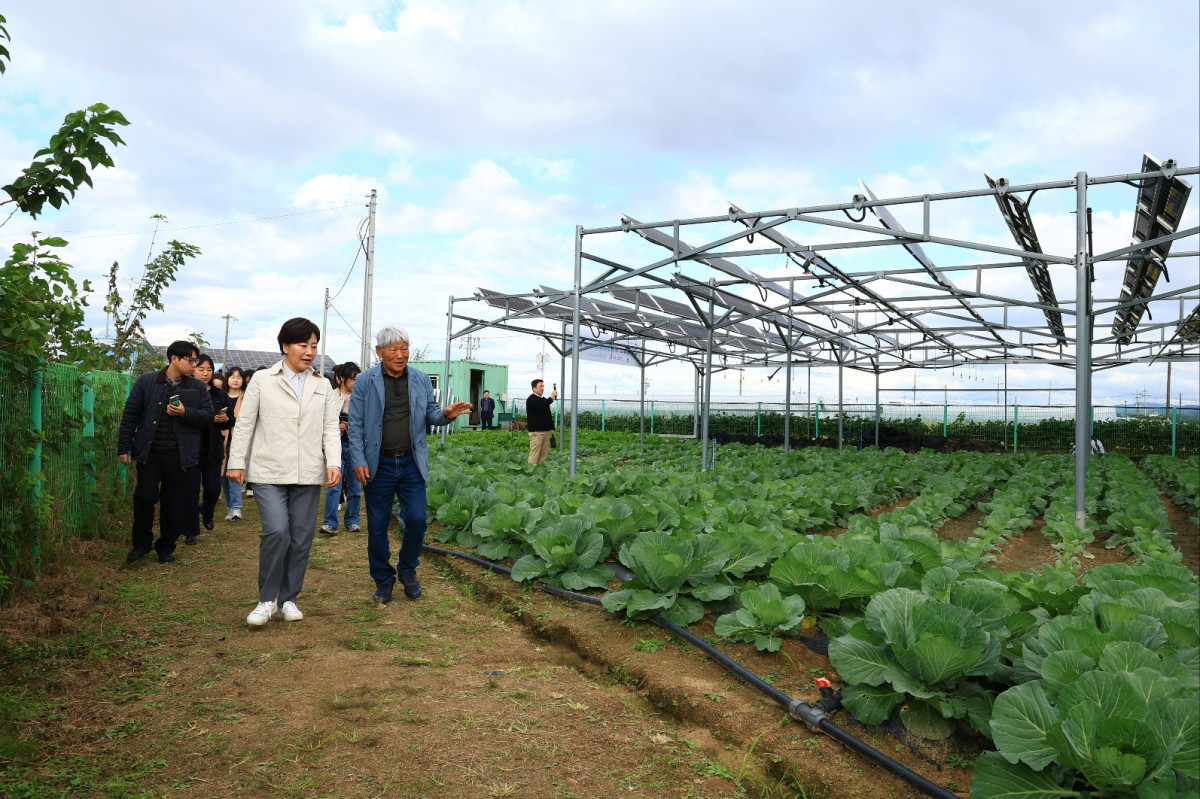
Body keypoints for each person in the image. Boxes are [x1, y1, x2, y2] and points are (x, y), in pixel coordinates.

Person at [226, 318, 341, 628]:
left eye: (314, 346)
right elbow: (246, 423)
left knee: (301, 538)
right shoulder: (263, 380)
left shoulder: (322, 384)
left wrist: (334, 462)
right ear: (285, 346)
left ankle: (289, 599)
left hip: (307, 472)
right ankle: (266, 600)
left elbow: (330, 427)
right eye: (303, 345)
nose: (309, 352)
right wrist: (236, 462)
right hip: (268, 470)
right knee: (277, 532)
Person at [348, 325, 471, 604]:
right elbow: (354, 425)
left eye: (404, 349)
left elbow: (431, 413)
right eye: (393, 349)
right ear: (379, 352)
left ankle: (407, 568)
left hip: (411, 462)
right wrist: (357, 460)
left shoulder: (419, 379)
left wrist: (446, 415)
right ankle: (383, 579)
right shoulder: (366, 381)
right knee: (378, 525)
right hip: (378, 464)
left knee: (417, 518)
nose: (400, 355)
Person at [117, 340, 214, 564]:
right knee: (144, 497)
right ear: (174, 359)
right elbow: (130, 414)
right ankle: (141, 544)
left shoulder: (196, 387)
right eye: (190, 361)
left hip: (180, 456)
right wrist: (124, 446)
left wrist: (185, 413)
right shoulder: (147, 381)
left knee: (174, 502)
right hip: (149, 453)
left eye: (195, 361)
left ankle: (166, 546)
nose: (194, 365)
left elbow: (208, 416)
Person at [190, 354, 233, 542]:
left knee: (213, 488)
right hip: (190, 449)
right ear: (193, 370)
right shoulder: (187, 390)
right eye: (201, 370)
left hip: (212, 449)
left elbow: (230, 420)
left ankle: (207, 512)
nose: (205, 373)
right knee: (190, 491)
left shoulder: (219, 394)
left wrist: (226, 419)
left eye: (209, 369)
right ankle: (191, 530)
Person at [321, 362, 363, 535]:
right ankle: (330, 523)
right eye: (353, 379)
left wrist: (350, 425)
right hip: (335, 446)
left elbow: (366, 423)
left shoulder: (361, 398)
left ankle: (352, 520)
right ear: (342, 378)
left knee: (355, 487)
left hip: (355, 446)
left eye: (357, 379)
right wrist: (336, 426)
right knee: (334, 485)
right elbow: (321, 420)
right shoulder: (330, 396)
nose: (355, 382)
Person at [221, 366, 247, 520]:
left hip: (239, 440)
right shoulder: (221, 396)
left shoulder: (247, 397)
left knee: (235, 471)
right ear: (227, 379)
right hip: (221, 439)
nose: (236, 379)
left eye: (239, 377)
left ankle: (236, 507)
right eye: (232, 376)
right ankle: (231, 507)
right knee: (224, 475)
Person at [525, 379, 557, 465]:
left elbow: (548, 414)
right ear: (534, 388)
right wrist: (551, 397)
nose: (542, 388)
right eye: (540, 386)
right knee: (535, 454)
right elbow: (541, 407)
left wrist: (552, 428)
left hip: (545, 431)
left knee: (543, 455)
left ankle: (539, 473)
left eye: (543, 386)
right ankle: (530, 473)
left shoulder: (543, 399)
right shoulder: (531, 399)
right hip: (536, 432)